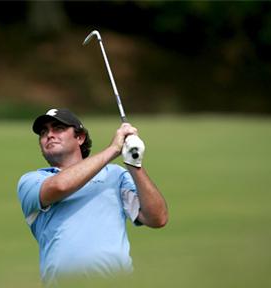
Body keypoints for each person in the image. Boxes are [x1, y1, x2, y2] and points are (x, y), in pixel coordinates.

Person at [17, 108, 168, 285]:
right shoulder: (32, 181)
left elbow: (157, 218)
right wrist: (113, 150)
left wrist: (134, 163)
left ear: (79, 138)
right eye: (44, 132)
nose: (49, 135)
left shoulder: (115, 175)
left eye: (58, 128)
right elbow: (60, 186)